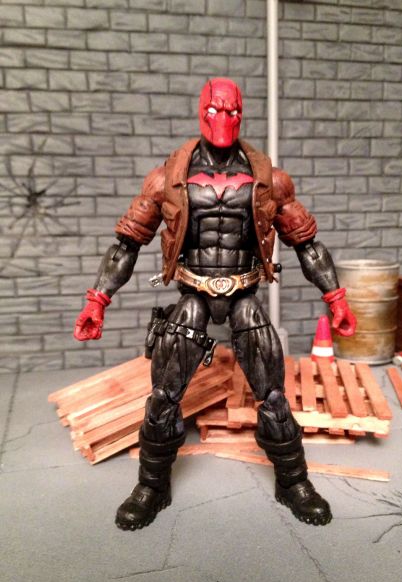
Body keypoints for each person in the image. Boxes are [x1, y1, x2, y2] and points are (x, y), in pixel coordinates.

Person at [74, 78, 356, 531]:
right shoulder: (168, 177)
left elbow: (307, 244)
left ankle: (293, 481)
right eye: (214, 110)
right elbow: (127, 243)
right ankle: (151, 485)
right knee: (164, 395)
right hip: (193, 293)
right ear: (201, 110)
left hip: (244, 292)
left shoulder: (269, 179)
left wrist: (336, 299)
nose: (223, 119)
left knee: (273, 393)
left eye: (232, 111)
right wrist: (97, 299)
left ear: (241, 114)